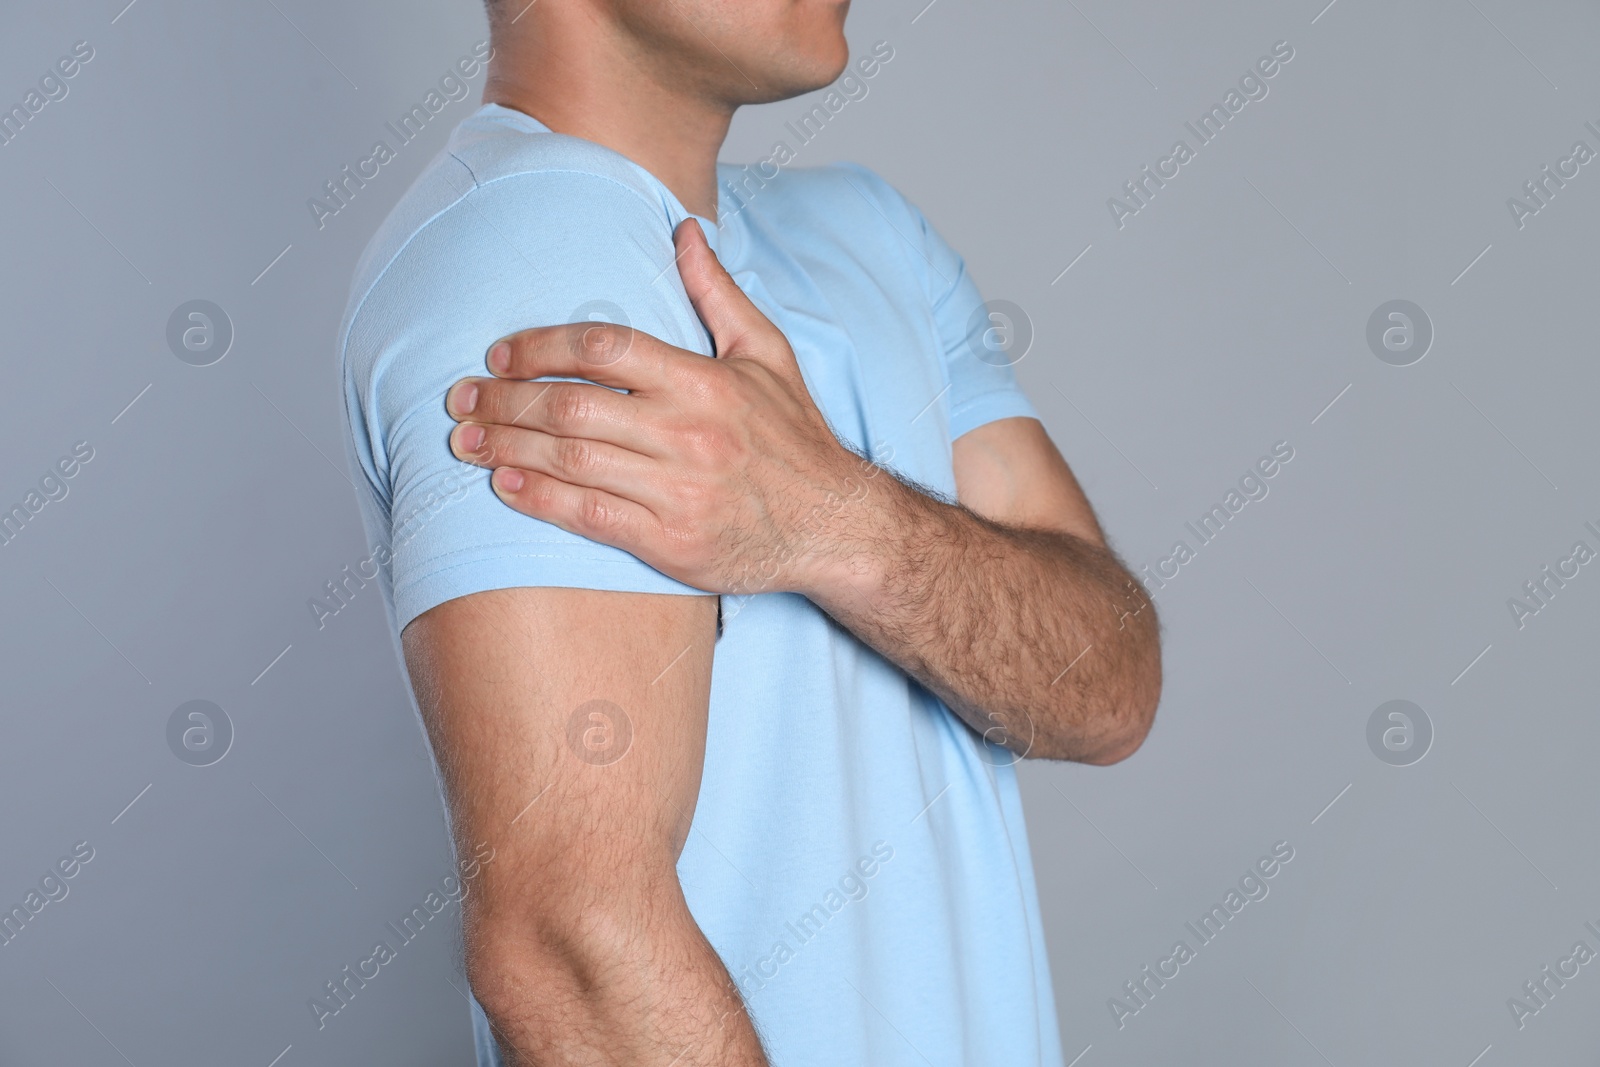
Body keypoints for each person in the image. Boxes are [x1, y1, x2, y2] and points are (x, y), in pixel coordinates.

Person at [338, 0, 1163, 1062]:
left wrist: (837, 520)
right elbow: (567, 945)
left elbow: (1107, 686)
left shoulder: (871, 233)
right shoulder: (532, 257)